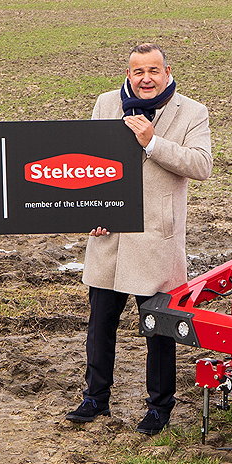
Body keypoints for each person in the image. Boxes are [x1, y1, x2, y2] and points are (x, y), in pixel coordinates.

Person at [67, 43, 212, 436]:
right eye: (138, 72)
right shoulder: (106, 103)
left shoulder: (192, 112)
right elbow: (87, 163)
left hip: (156, 241)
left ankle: (159, 407)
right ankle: (95, 398)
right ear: (128, 73)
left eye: (153, 71)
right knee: (100, 325)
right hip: (110, 239)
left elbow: (201, 165)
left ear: (167, 71)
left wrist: (152, 142)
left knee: (158, 329)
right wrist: (91, 212)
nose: (146, 79)